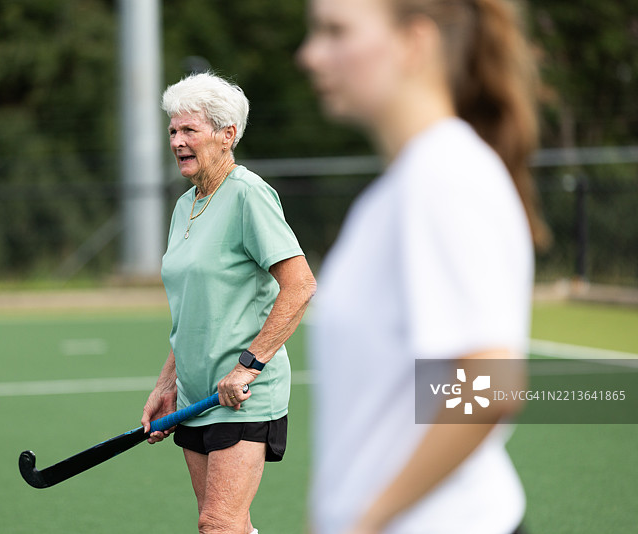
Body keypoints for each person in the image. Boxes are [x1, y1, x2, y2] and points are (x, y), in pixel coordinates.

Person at [298, 0, 549, 533]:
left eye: (336, 31)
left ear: (416, 42)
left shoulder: (443, 178)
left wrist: (369, 521)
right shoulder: (401, 189)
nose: (310, 55)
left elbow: (489, 384)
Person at [141, 72, 317, 534]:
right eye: (173, 131)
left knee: (217, 524)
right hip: (194, 395)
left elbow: (300, 286)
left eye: (189, 131)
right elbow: (195, 311)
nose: (177, 141)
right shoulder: (186, 205)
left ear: (227, 135)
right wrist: (166, 385)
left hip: (242, 396)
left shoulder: (248, 195)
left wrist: (248, 366)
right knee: (229, 527)